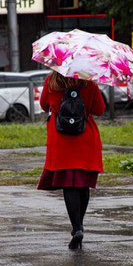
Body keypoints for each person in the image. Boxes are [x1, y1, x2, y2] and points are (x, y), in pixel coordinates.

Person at [37, 70, 106, 249]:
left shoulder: (51, 81)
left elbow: (44, 106)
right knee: (83, 183)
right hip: (85, 138)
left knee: (69, 185)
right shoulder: (88, 82)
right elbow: (99, 110)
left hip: (61, 140)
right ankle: (80, 226)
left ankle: (76, 229)